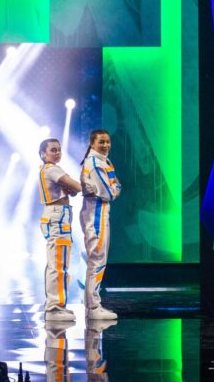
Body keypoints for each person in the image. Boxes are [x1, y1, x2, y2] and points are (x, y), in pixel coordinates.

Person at [38, 138, 83, 322]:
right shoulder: (52, 169)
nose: (57, 153)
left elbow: (73, 191)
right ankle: (55, 308)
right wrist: (75, 184)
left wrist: (70, 186)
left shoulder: (48, 169)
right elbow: (77, 187)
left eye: (58, 150)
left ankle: (54, 306)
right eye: (53, 150)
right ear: (43, 154)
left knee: (55, 263)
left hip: (55, 215)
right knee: (58, 264)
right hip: (58, 216)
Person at [79, 130, 121, 320]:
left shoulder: (104, 161)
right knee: (96, 261)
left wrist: (114, 188)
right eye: (101, 142)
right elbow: (109, 192)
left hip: (100, 212)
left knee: (98, 260)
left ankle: (93, 306)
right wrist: (114, 189)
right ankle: (93, 308)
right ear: (92, 143)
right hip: (95, 214)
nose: (105, 145)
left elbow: (116, 186)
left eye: (107, 142)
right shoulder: (95, 164)